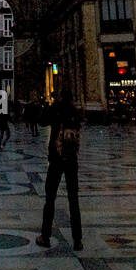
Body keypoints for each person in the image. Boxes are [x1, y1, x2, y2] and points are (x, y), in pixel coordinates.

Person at [36, 85, 82, 251]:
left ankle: (45, 236)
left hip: (56, 158)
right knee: (73, 199)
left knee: (50, 198)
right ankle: (78, 240)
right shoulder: (75, 111)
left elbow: (42, 121)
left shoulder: (56, 108)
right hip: (72, 159)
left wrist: (51, 105)